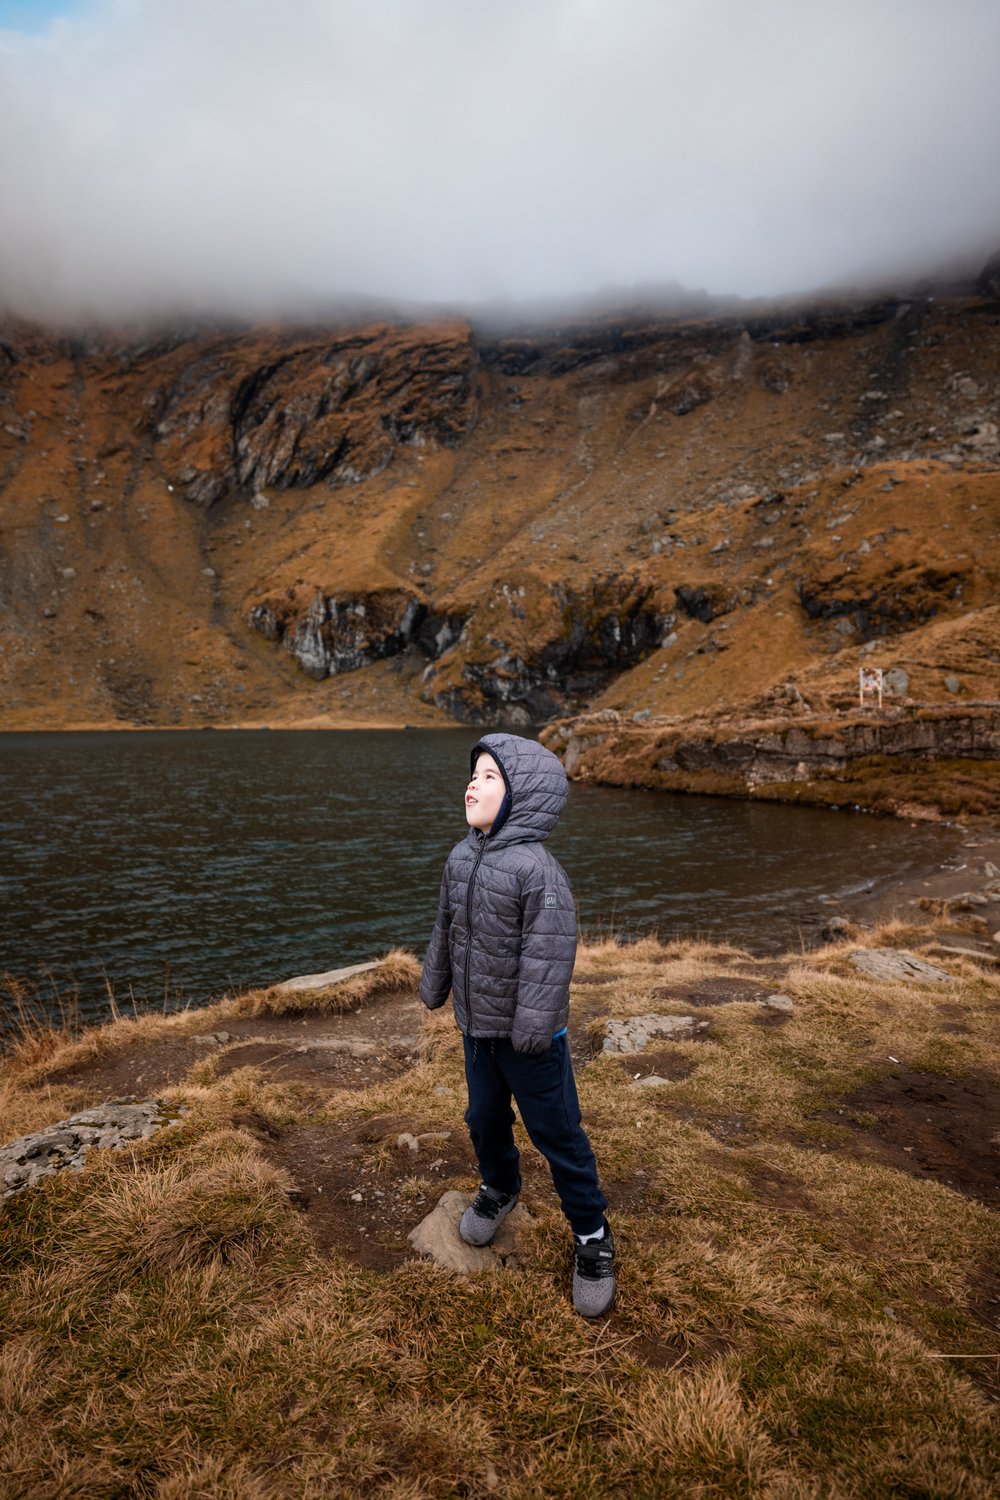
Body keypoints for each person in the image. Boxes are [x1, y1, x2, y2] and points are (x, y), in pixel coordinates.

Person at [418, 731, 616, 1318]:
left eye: (489, 776)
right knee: (482, 1116)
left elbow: (550, 952)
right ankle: (500, 1187)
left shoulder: (538, 870)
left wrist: (533, 1025)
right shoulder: (460, 857)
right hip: (477, 1030)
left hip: (532, 1039)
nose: (473, 785)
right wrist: (435, 983)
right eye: (473, 775)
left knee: (556, 1132)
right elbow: (446, 926)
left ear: (523, 794)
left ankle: (591, 1235)